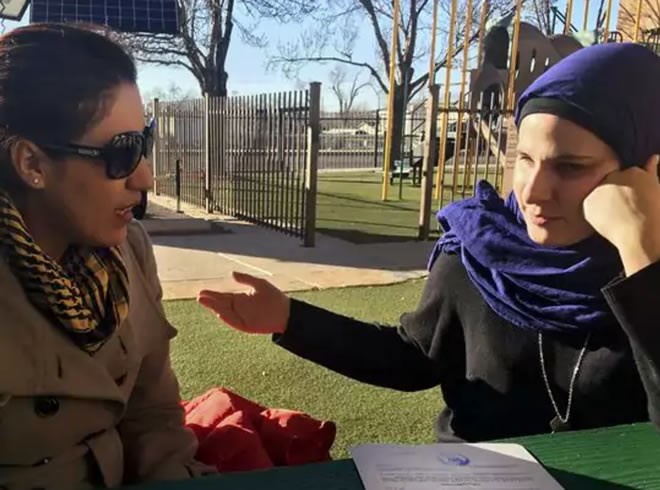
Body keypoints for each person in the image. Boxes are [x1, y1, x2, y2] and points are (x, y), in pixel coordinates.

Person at [199, 42, 660, 443]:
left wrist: (641, 255)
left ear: (646, 170)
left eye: (570, 167)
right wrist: (289, 319)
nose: (533, 191)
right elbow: (414, 357)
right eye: (524, 157)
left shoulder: (650, 267)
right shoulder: (478, 253)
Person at [0, 24, 212, 488]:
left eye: (144, 142)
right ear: (32, 164)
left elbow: (152, 413)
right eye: (122, 152)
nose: (146, 178)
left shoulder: (129, 250)